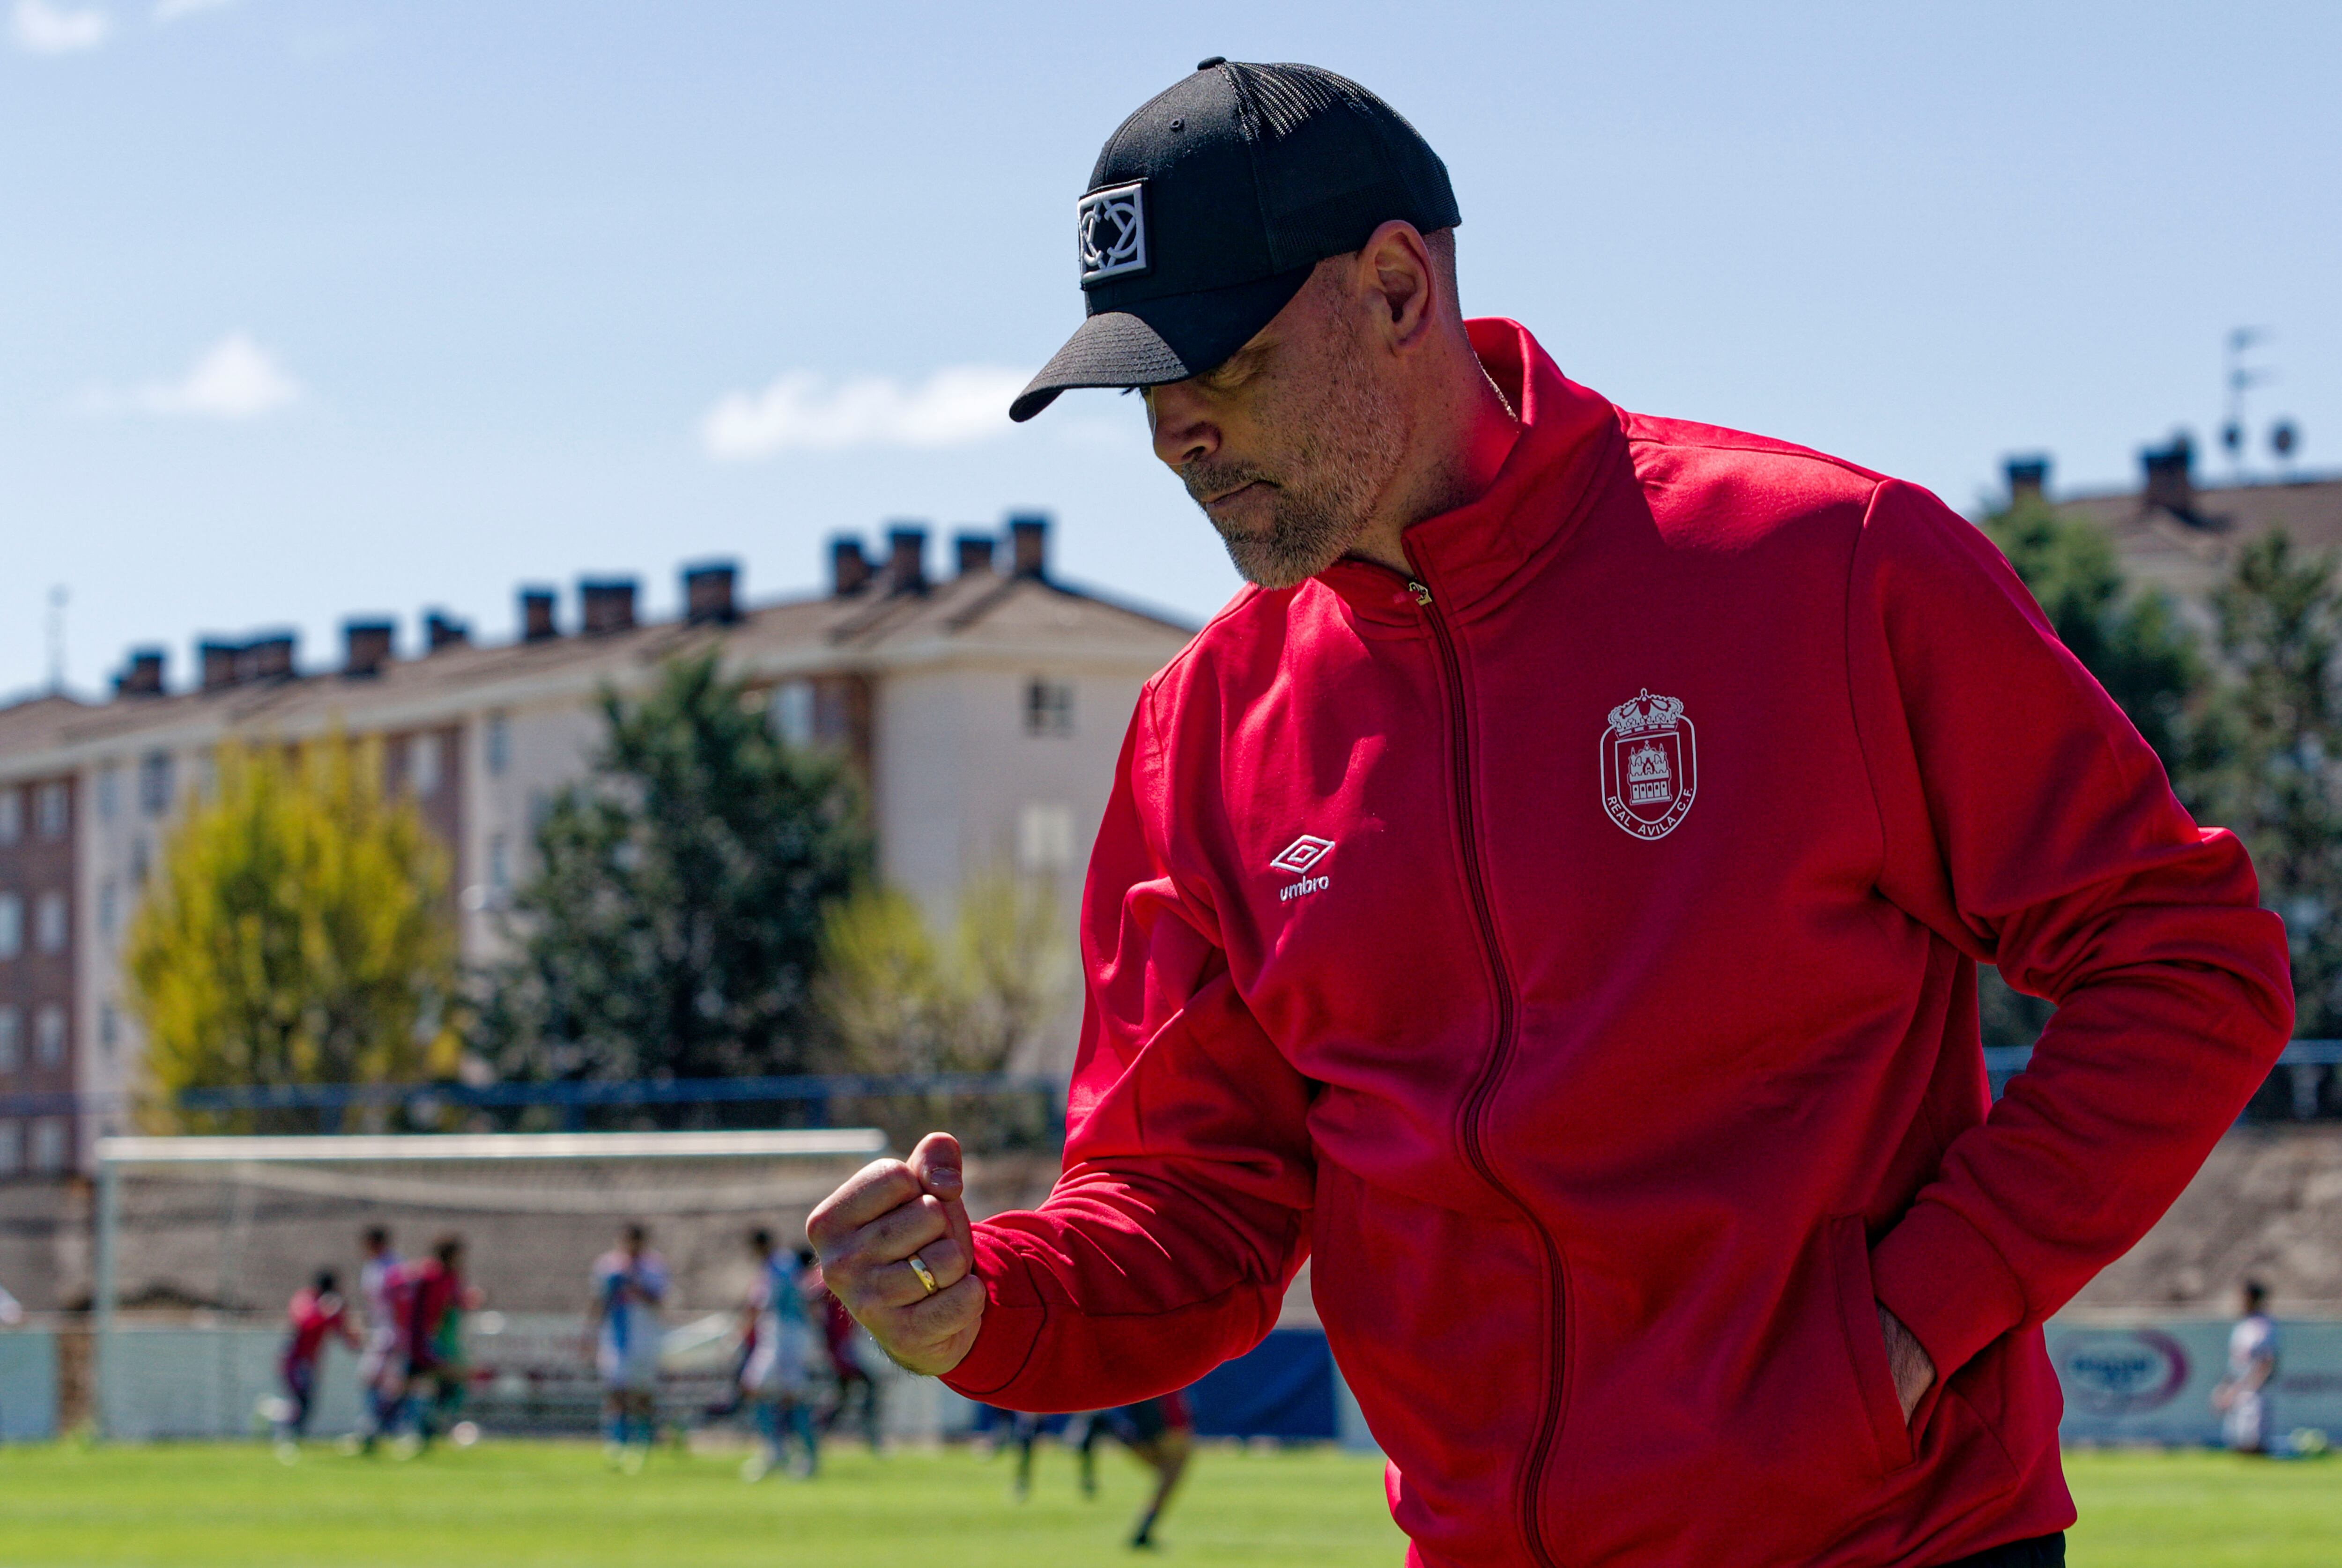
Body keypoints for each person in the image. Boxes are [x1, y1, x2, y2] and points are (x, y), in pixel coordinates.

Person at [808, 59, 2296, 1568]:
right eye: (1145, 387)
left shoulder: (1830, 568)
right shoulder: (1200, 729)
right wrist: (984, 1303)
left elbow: (2186, 961)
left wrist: (1914, 1325)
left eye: (1225, 362)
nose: (1173, 432)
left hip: (1887, 1541)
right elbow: (1190, 1204)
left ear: (1399, 288)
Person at [736, 1228, 818, 1481]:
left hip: (785, 1337)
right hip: (782, 1336)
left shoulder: (777, 1267)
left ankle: (800, 1456)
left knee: (788, 1395)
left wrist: (742, 1334)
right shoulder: (784, 1264)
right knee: (765, 1390)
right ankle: (781, 1452)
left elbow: (760, 1304)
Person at [587, 1221, 668, 1472]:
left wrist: (635, 1284)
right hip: (616, 1338)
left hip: (644, 1338)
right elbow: (598, 1302)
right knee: (616, 1391)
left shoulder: (654, 1267)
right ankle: (617, 1445)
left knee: (642, 1395)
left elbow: (659, 1300)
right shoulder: (608, 1266)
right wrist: (590, 1333)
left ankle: (643, 1445)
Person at [1082, 1395, 1194, 1550]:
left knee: (1169, 1473)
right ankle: (1144, 1532)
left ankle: (1144, 1531)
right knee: (1171, 1471)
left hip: (1165, 1421)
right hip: (1166, 1424)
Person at [275, 1270, 359, 1453]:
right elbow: (304, 1322)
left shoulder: (331, 1306)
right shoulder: (305, 1299)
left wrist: (356, 1342)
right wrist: (325, 1311)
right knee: (300, 1400)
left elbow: (344, 1332)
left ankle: (289, 1433)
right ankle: (286, 1435)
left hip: (310, 1363)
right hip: (294, 1360)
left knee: (307, 1403)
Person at [2213, 1280, 2280, 1455]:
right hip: (2237, 1390)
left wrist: (2251, 1389)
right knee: (2237, 1444)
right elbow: (2236, 1364)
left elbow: (2267, 1361)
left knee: (2254, 1445)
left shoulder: (2263, 1326)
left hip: (2253, 1392)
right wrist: (2226, 1389)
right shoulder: (2243, 1326)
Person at [352, 1225, 403, 1454]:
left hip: (391, 1333)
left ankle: (376, 1429)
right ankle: (376, 1429)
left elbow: (400, 1303)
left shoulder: (394, 1267)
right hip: (379, 1332)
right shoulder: (371, 1267)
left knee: (379, 1380)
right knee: (376, 1380)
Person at [818, 1273, 883, 1453]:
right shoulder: (829, 1280)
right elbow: (812, 1295)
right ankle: (870, 1432)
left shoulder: (845, 1281)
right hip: (839, 1348)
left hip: (845, 1346)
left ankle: (819, 1431)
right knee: (866, 1386)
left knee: (843, 1396)